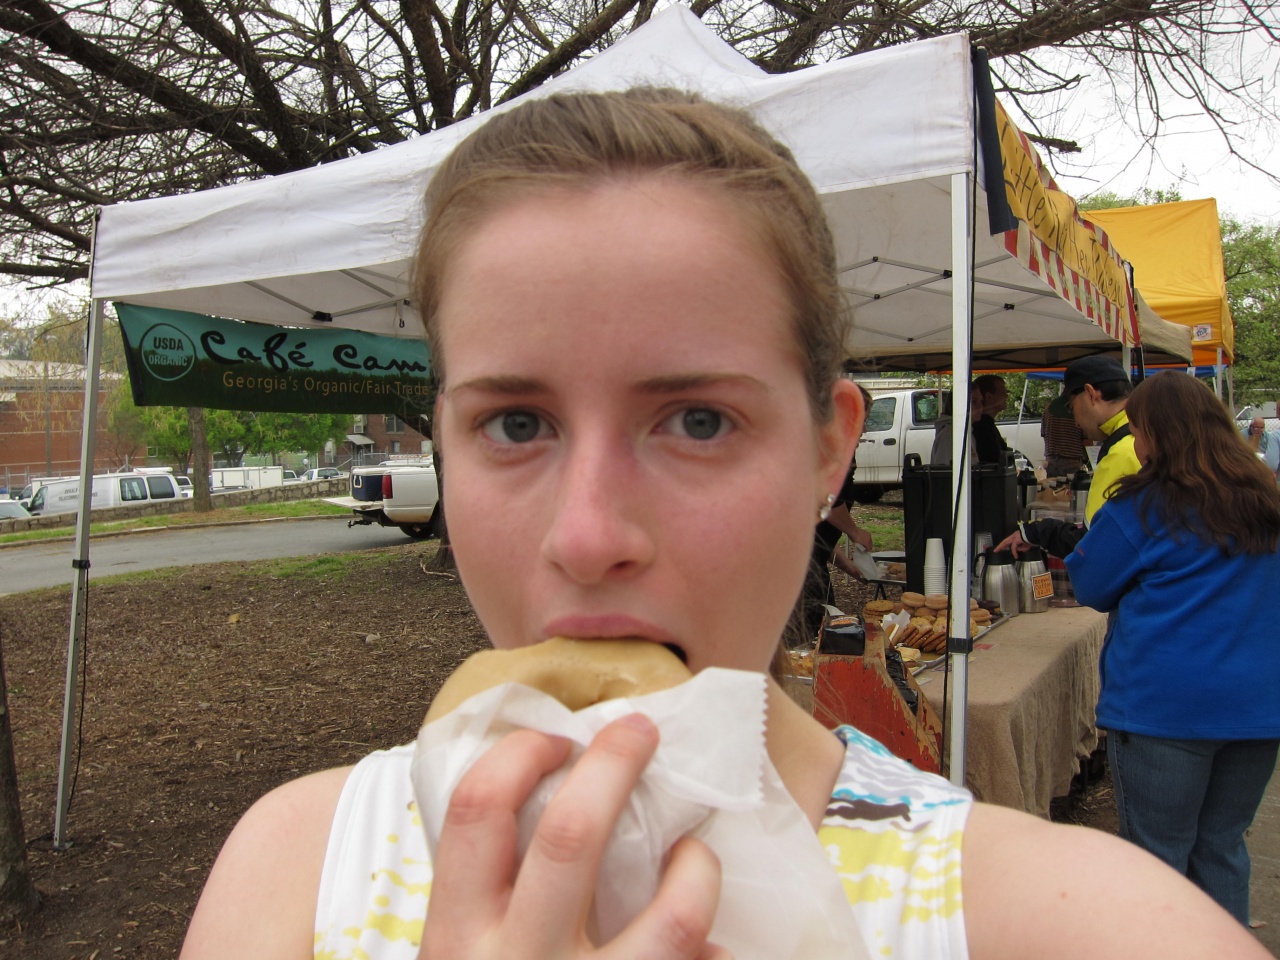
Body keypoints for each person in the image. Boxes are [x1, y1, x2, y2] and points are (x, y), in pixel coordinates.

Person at [179, 89, 1264, 960]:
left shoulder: (1068, 924)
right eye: (514, 421)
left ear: (828, 446)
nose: (588, 534)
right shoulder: (296, 871)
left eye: (696, 419)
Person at [1065, 372, 1280, 927]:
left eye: (1138, 430)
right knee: (1222, 847)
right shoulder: (1267, 499)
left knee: (1157, 858)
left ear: (1160, 434)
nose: (1135, 444)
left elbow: (1089, 585)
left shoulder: (1144, 507)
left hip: (1165, 710)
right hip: (1257, 709)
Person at [997, 355, 1142, 558]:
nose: (1074, 420)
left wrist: (1039, 531)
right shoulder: (1144, 432)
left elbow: (1091, 544)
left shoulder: (1122, 451)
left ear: (1091, 394)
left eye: (1071, 406)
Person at [803, 385, 876, 642]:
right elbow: (826, 500)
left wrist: (844, 563)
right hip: (797, 568)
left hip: (810, 560)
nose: (863, 429)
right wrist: (855, 531)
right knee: (812, 636)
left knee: (825, 628)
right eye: (861, 419)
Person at [929, 383, 982, 466]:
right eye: (974, 402)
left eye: (981, 401)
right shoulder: (950, 435)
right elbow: (943, 473)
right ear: (959, 403)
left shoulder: (967, 433)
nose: (980, 406)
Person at [970, 374, 1010, 464]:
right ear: (989, 396)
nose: (1006, 396)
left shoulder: (987, 425)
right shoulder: (981, 428)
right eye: (1003, 392)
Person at [1039, 403, 1087, 478]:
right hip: (1073, 462)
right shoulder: (1077, 409)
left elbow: (1044, 434)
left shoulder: (1048, 409)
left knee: (1053, 489)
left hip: (1052, 461)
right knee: (1071, 488)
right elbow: (1086, 440)